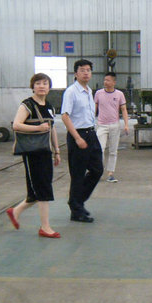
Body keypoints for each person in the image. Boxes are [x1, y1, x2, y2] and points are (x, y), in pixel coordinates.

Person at [6, 73, 62, 238]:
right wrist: (37, 128)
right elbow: (16, 125)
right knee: (43, 189)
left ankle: (15, 212)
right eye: (38, 83)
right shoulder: (27, 105)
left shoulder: (49, 106)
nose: (42, 86)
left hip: (45, 151)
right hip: (32, 153)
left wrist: (57, 150)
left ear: (49, 87)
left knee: (37, 191)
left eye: (45, 83)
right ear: (33, 87)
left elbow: (51, 129)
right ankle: (45, 227)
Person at [60, 59, 103, 223]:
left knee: (97, 170)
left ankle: (76, 201)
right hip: (78, 135)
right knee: (78, 174)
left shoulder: (89, 90)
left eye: (88, 70)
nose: (86, 73)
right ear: (75, 73)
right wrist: (77, 138)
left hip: (91, 134)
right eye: (82, 70)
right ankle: (76, 210)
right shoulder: (71, 92)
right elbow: (65, 116)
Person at [94, 72, 129, 183]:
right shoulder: (98, 93)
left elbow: (123, 109)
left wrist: (126, 124)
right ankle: (98, 172)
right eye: (105, 80)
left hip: (114, 125)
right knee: (99, 149)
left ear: (114, 82)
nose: (105, 82)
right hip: (101, 125)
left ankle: (110, 173)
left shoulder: (119, 94)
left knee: (113, 151)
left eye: (108, 80)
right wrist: (91, 121)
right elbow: (94, 108)